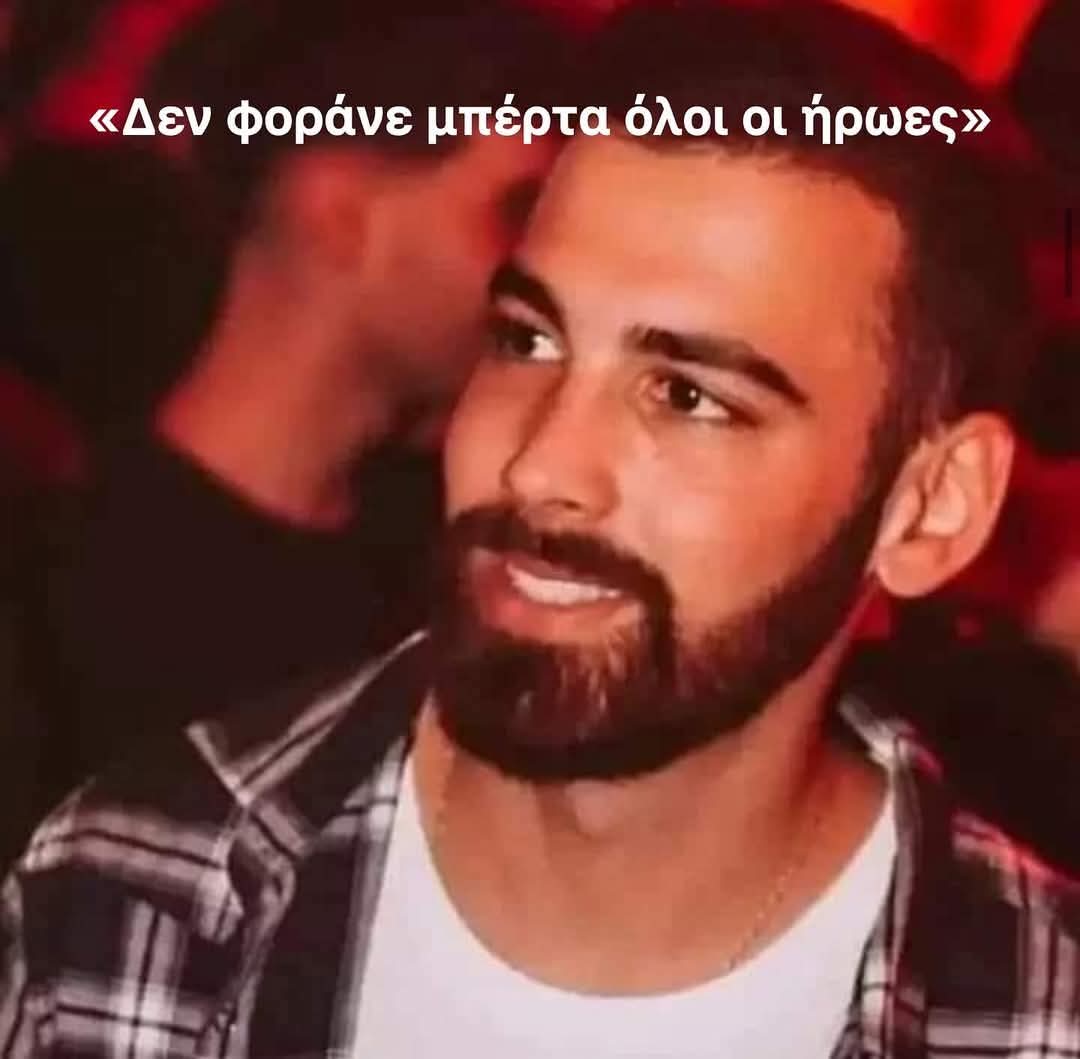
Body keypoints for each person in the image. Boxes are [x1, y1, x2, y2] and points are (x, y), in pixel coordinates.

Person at [3, 3, 1075, 1056]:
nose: (539, 464)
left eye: (689, 396)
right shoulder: (129, 902)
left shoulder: (1034, 1010)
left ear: (930, 507)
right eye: (527, 340)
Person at [31, 0, 574, 792]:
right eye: (511, 214)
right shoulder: (53, 604)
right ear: (337, 215)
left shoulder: (457, 569)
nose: (535, 275)